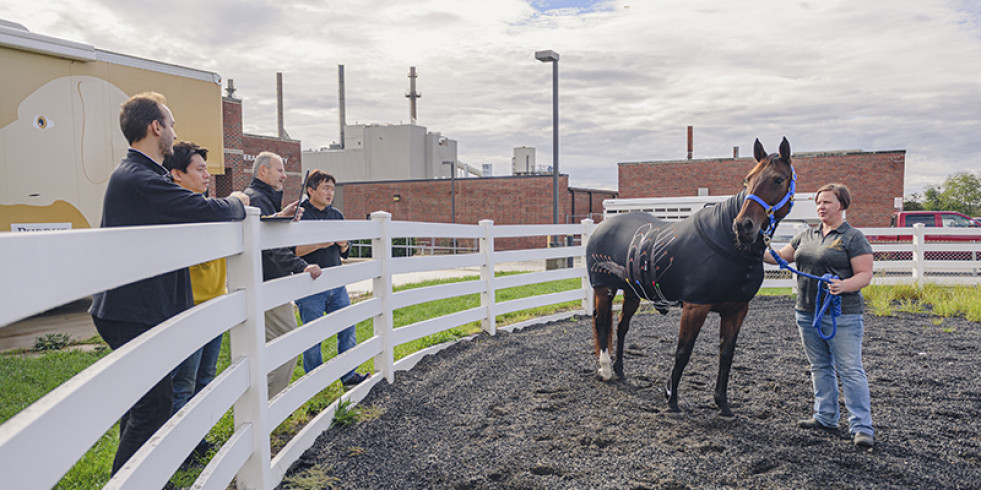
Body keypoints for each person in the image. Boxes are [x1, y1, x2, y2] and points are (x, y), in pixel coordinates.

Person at [88, 92, 249, 474]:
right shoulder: (139, 178)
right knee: (152, 406)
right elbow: (203, 208)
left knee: (141, 403)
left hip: (136, 309)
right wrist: (239, 201)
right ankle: (132, 482)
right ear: (155, 127)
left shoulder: (143, 176)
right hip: (132, 311)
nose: (174, 133)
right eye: (171, 124)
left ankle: (141, 479)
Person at [765, 183, 875, 449]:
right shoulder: (807, 235)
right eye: (819, 202)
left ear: (841, 205)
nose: (821, 207)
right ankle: (825, 416)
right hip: (806, 312)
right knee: (820, 367)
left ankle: (861, 427)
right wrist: (757, 245)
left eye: (827, 202)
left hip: (842, 316)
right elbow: (780, 258)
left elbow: (865, 275)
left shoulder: (852, 237)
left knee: (850, 370)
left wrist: (844, 285)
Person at [244, 151, 322, 398]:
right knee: (289, 344)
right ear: (263, 171)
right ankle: (267, 408)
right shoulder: (256, 198)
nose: (285, 176)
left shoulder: (262, 198)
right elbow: (270, 246)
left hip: (269, 283)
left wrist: (283, 218)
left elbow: (270, 234)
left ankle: (263, 410)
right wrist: (301, 266)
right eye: (279, 170)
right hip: (268, 284)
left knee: (273, 348)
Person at [294, 170, 369, 387]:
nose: (330, 193)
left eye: (332, 189)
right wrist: (320, 243)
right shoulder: (300, 214)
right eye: (325, 188)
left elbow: (345, 251)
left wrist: (343, 243)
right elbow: (291, 251)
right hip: (309, 285)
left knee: (347, 327)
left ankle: (348, 375)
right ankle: (316, 383)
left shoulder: (336, 215)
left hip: (336, 284)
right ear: (310, 190)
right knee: (313, 336)